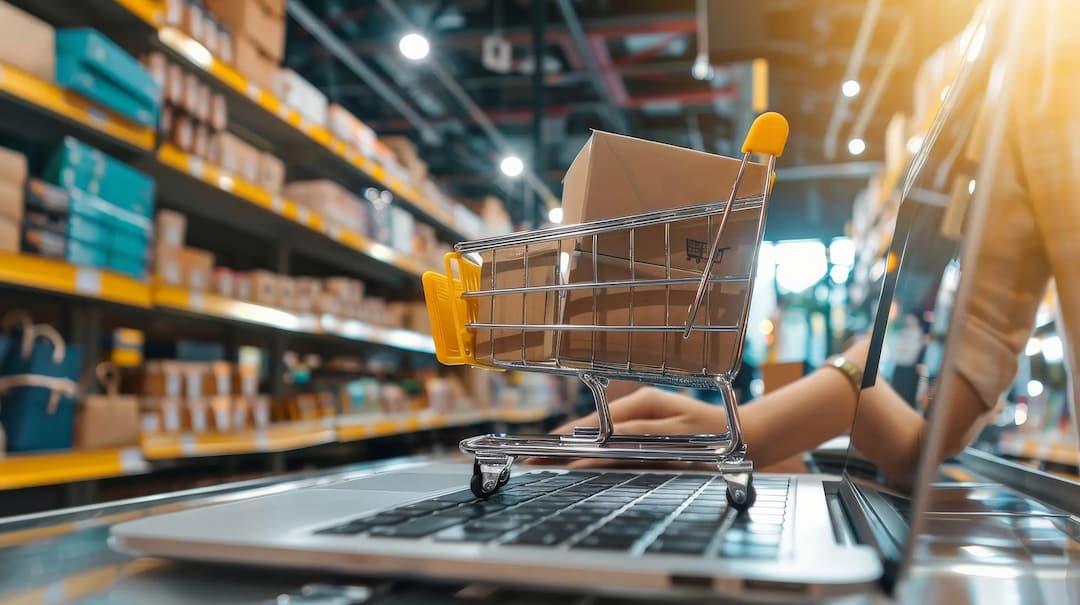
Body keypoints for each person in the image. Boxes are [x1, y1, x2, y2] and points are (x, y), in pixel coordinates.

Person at [534, 1, 1080, 485]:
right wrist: (768, 424)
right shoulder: (1032, 44)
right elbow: (953, 392)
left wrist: (772, 422)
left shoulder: (1034, 47)